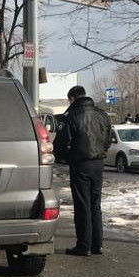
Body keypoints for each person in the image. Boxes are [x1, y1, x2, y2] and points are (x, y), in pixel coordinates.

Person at [53, 85, 112, 256]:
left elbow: (62, 143)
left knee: (82, 205)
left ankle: (83, 245)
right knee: (95, 204)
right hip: (99, 163)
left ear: (71, 98)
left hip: (80, 164)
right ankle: (97, 245)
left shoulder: (71, 116)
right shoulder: (102, 114)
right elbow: (108, 138)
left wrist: (63, 157)